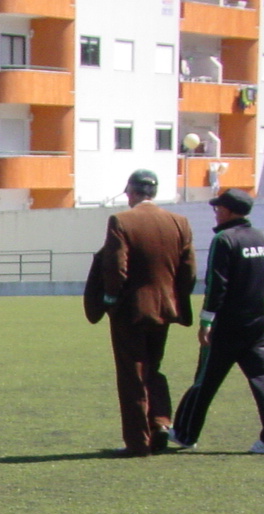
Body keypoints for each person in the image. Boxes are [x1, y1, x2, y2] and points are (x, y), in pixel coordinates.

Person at [168, 188, 264, 454]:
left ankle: (185, 433)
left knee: (205, 380)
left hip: (227, 325)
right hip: (258, 322)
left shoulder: (224, 240)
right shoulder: (261, 239)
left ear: (229, 211)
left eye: (218, 208)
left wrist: (207, 321)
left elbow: (217, 285)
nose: (215, 212)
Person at [100, 168, 196, 456]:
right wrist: (175, 298)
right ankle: (160, 424)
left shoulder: (121, 220)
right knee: (154, 369)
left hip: (131, 310)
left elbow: (117, 266)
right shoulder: (179, 222)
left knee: (132, 374)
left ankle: (137, 442)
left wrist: (110, 299)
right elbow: (188, 269)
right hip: (165, 309)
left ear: (131, 192)